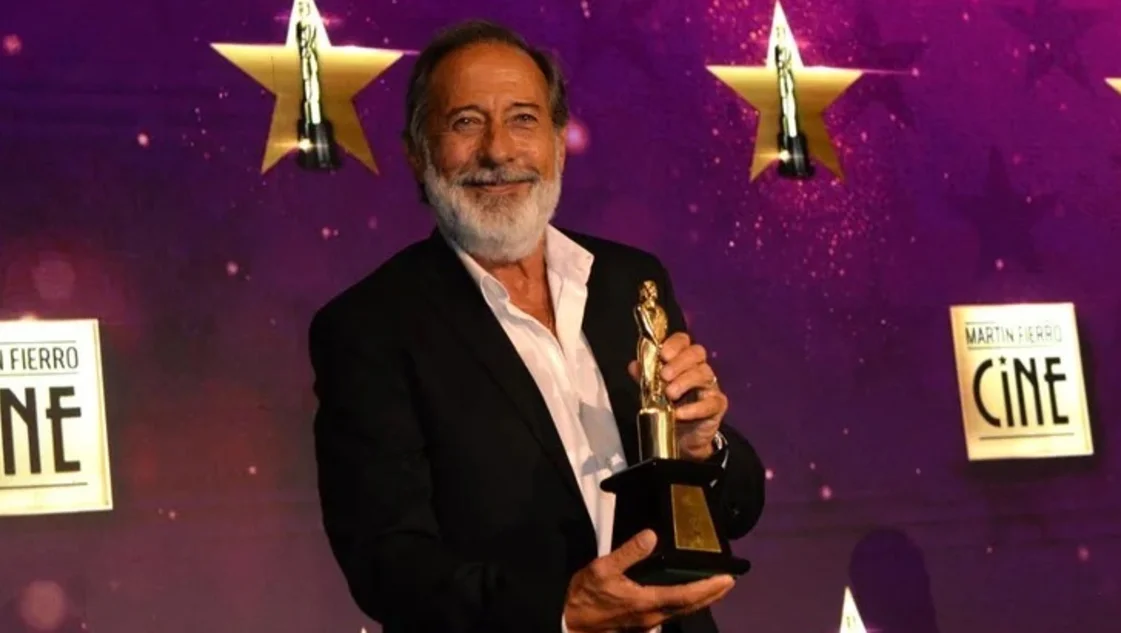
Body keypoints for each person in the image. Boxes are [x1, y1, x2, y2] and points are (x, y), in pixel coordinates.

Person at [308, 19, 766, 633]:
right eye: (465, 122)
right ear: (417, 153)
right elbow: (387, 563)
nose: (498, 151)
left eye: (523, 119)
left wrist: (702, 447)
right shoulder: (369, 327)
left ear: (556, 141)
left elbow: (735, 508)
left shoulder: (631, 281)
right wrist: (563, 613)